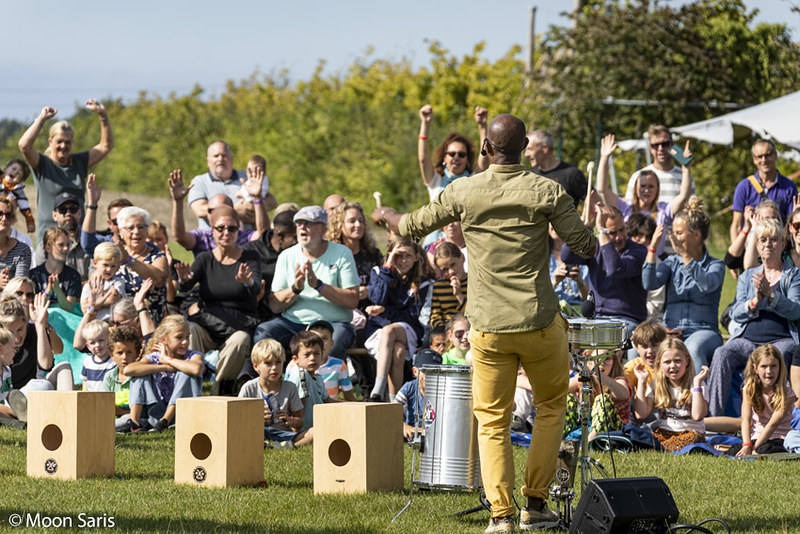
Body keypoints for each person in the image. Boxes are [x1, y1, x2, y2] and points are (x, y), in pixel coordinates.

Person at [374, 113, 597, 531]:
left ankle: (501, 516)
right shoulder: (546, 189)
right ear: (526, 145)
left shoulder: (464, 190)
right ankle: (535, 504)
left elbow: (410, 226)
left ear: (486, 150)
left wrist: (386, 213)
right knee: (550, 408)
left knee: (492, 420)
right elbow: (584, 245)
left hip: (489, 326)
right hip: (539, 321)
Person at [707, 218, 800, 416]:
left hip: (781, 340)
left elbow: (796, 310)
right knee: (722, 354)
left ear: (783, 244)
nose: (768, 244)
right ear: (756, 245)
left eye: (774, 240)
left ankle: (773, 423)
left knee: (777, 357)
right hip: (748, 340)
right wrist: (754, 301)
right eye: (763, 240)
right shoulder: (747, 276)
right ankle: (714, 421)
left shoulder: (793, 276)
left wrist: (772, 295)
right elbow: (735, 313)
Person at [175, 205, 261, 395]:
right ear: (212, 230)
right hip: (209, 324)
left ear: (238, 230)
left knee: (240, 340)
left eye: (232, 228)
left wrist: (248, 282)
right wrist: (182, 279)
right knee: (191, 330)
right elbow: (185, 287)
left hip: (238, 326)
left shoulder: (250, 257)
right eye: (220, 228)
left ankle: (220, 392)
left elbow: (257, 287)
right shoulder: (205, 259)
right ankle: (190, 389)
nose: (226, 233)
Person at [255, 206, 360, 359]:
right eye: (299, 223)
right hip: (293, 324)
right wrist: (295, 289)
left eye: (309, 223)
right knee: (264, 333)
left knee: (334, 343)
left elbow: (352, 300)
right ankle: (275, 382)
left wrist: (319, 285)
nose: (302, 228)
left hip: (333, 324)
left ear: (324, 229)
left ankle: (326, 383)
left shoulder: (342, 254)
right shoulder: (286, 256)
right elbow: (275, 305)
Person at [642, 198, 725, 371]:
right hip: (671, 330)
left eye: (679, 233)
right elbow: (648, 283)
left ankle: (700, 395)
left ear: (697, 235)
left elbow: (707, 285)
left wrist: (685, 255)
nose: (674, 237)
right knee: (639, 350)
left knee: (693, 349)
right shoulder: (672, 262)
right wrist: (652, 249)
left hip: (703, 331)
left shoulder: (715, 265)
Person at [17, 101, 114, 243]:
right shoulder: (42, 164)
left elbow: (106, 146)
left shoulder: (79, 162)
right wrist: (41, 120)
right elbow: (24, 145)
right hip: (49, 239)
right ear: (50, 141)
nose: (64, 146)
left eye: (68, 142)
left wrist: (103, 115)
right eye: (59, 141)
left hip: (77, 239)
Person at [597, 134, 693, 256]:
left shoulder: (663, 210)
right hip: (628, 263)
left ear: (657, 190)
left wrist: (686, 169)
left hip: (654, 265)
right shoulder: (624, 206)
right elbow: (602, 189)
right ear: (636, 188)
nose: (646, 190)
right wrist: (604, 158)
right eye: (643, 186)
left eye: (651, 186)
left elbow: (684, 196)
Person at [562, 205, 647, 336]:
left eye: (622, 230)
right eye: (612, 233)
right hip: (596, 319)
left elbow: (615, 268)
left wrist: (602, 231)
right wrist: (586, 228)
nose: (619, 237)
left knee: (603, 349)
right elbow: (567, 256)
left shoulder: (638, 251)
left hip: (628, 321)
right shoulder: (595, 246)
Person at [364, 237, 431, 401]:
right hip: (380, 330)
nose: (403, 261)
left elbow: (412, 314)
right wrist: (388, 266)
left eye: (408, 255)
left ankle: (378, 389)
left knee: (390, 330)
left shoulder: (422, 283)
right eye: (398, 255)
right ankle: (395, 403)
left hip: (408, 330)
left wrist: (386, 311)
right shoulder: (379, 272)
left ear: (416, 257)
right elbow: (377, 299)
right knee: (398, 352)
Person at [123, 315, 204, 433]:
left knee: (187, 372)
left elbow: (196, 369)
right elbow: (128, 370)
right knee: (140, 373)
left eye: (187, 337)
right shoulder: (155, 358)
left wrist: (169, 360)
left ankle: (165, 421)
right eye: (179, 337)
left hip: (181, 414)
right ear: (164, 339)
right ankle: (134, 423)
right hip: (155, 411)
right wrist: (164, 367)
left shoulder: (193, 356)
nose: (185, 342)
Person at [168, 168, 268, 258]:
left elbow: (264, 234)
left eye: (224, 209)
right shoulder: (203, 238)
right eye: (213, 210)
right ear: (207, 214)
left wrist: (257, 198)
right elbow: (180, 237)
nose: (219, 214)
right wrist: (178, 202)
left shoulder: (242, 237)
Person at [633, 338, 709, 451]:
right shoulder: (656, 384)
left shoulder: (697, 384)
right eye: (667, 362)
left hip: (691, 434)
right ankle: (664, 447)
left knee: (692, 440)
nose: (673, 366)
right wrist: (641, 381)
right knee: (640, 436)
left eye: (677, 361)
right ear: (659, 364)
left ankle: (665, 448)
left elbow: (698, 416)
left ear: (687, 361)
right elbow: (641, 414)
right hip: (664, 433)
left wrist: (697, 384)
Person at [186, 141, 277, 230]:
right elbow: (200, 210)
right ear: (208, 161)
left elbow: (272, 202)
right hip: (212, 241)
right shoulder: (199, 181)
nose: (220, 159)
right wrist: (234, 211)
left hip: (248, 240)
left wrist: (251, 207)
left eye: (224, 155)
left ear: (231, 158)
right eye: (216, 156)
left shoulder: (247, 176)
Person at [238, 338, 307, 448]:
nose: (274, 368)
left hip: (283, 434)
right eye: (268, 363)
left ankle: (279, 446)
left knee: (314, 433)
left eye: (278, 362)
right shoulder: (249, 388)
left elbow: (300, 420)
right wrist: (255, 418)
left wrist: (291, 420)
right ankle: (278, 445)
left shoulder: (290, 387)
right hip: (256, 432)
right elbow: (238, 419)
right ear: (256, 366)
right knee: (237, 435)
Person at [728, 345, 795, 456]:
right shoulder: (749, 389)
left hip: (780, 438)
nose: (769, 371)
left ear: (780, 368)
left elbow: (773, 424)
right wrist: (746, 444)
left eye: (773, 366)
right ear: (755, 369)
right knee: (733, 450)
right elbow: (745, 419)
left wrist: (754, 447)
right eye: (764, 366)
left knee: (764, 450)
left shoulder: (787, 393)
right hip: (757, 437)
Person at [729, 139, 797, 244]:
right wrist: (736, 256)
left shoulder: (789, 187)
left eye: (768, 155)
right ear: (754, 159)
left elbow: (790, 224)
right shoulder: (744, 187)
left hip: (778, 248)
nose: (764, 160)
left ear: (775, 155)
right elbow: (736, 225)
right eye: (759, 157)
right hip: (750, 246)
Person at [417, 104, 489, 201]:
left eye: (461, 154)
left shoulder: (474, 179)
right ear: (444, 157)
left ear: (467, 159)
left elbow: (485, 156)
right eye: (451, 154)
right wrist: (425, 124)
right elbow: (423, 159)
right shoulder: (435, 180)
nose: (456, 157)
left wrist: (483, 126)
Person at [326, 201, 383, 321]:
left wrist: (369, 290)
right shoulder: (330, 255)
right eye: (352, 221)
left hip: (370, 314)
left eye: (361, 221)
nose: (358, 225)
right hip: (338, 315)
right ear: (339, 225)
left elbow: (384, 286)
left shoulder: (373, 255)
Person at [284, 330, 341, 442]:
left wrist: (353, 405)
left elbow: (327, 400)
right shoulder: (301, 374)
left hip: (317, 427)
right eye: (307, 354)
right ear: (295, 359)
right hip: (304, 432)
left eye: (316, 353)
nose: (312, 358)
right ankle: (294, 443)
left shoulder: (318, 377)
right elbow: (298, 410)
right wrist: (297, 435)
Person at [116, 206, 169, 324]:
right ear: (121, 232)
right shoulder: (115, 256)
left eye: (141, 227)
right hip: (120, 323)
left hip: (151, 322)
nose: (136, 232)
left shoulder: (157, 256)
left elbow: (158, 278)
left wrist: (129, 260)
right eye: (130, 228)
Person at [244, 209, 298, 323]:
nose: (299, 242)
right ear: (280, 235)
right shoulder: (250, 252)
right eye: (295, 238)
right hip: (260, 316)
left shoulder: (302, 251)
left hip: (294, 313)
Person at [623, 124, 694, 207]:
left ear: (672, 145)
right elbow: (629, 208)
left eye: (665, 144)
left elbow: (692, 207)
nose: (660, 149)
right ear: (650, 148)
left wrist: (686, 168)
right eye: (655, 145)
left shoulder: (685, 176)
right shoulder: (638, 177)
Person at [34, 191, 91, 280]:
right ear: (54, 215)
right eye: (62, 210)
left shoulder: (90, 243)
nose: (68, 214)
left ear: (79, 213)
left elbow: (95, 279)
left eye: (73, 209)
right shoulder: (44, 246)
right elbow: (42, 279)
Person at [526, 129, 588, 208]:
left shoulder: (571, 174)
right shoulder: (530, 175)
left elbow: (593, 202)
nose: (526, 155)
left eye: (530, 149)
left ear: (545, 148)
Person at [79, 172, 133, 256]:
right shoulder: (104, 244)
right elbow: (87, 243)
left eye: (125, 220)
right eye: (116, 222)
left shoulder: (146, 248)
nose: (121, 226)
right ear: (110, 224)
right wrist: (92, 204)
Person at [30, 227, 82, 312]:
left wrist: (58, 290)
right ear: (48, 248)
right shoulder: (34, 275)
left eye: (68, 245)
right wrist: (48, 290)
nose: (66, 248)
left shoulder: (73, 276)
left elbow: (69, 309)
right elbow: (36, 308)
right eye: (61, 245)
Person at [394, 348, 442, 440]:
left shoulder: (442, 389)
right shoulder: (409, 387)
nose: (429, 376)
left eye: (434, 371)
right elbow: (391, 410)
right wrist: (404, 426)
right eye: (425, 371)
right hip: (412, 432)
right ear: (415, 371)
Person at [101, 325, 141, 433]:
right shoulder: (109, 376)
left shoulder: (140, 376)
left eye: (129, 352)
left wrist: (120, 411)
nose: (124, 357)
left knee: (125, 420)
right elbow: (105, 404)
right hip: (112, 417)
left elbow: (141, 409)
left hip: (132, 418)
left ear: (137, 354)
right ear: (111, 355)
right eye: (119, 353)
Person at [79, 243, 124, 320]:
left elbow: (112, 299)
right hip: (94, 324)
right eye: (105, 265)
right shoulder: (89, 286)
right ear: (95, 263)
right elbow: (84, 309)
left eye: (113, 266)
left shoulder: (118, 282)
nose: (109, 269)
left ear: (118, 266)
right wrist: (105, 297)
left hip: (112, 323)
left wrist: (92, 302)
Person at [623, 321, 667, 396]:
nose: (650, 351)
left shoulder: (670, 364)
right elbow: (620, 383)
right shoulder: (636, 365)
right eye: (645, 347)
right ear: (637, 348)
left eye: (654, 345)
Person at [429, 242, 467, 329]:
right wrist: (446, 331)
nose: (451, 272)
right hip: (446, 330)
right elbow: (435, 316)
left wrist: (459, 294)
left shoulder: (474, 282)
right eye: (445, 269)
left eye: (453, 265)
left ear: (462, 258)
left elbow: (474, 314)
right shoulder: (439, 287)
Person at [0, 195, 31, 290]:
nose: (4, 218)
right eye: (0, 213)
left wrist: (8, 284)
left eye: (8, 215)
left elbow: (20, 288)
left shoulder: (22, 250)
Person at [79, 320, 115, 391]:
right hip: (91, 398)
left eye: (101, 340)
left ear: (109, 339)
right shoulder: (88, 361)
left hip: (108, 397)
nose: (97, 345)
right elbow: (85, 380)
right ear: (88, 346)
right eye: (92, 343)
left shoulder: (113, 361)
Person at [2, 158, 35, 233]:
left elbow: (25, 208)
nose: (15, 172)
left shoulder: (18, 191)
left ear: (20, 180)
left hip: (3, 221)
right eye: (13, 168)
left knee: (10, 201)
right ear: (5, 170)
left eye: (19, 173)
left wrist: (30, 222)